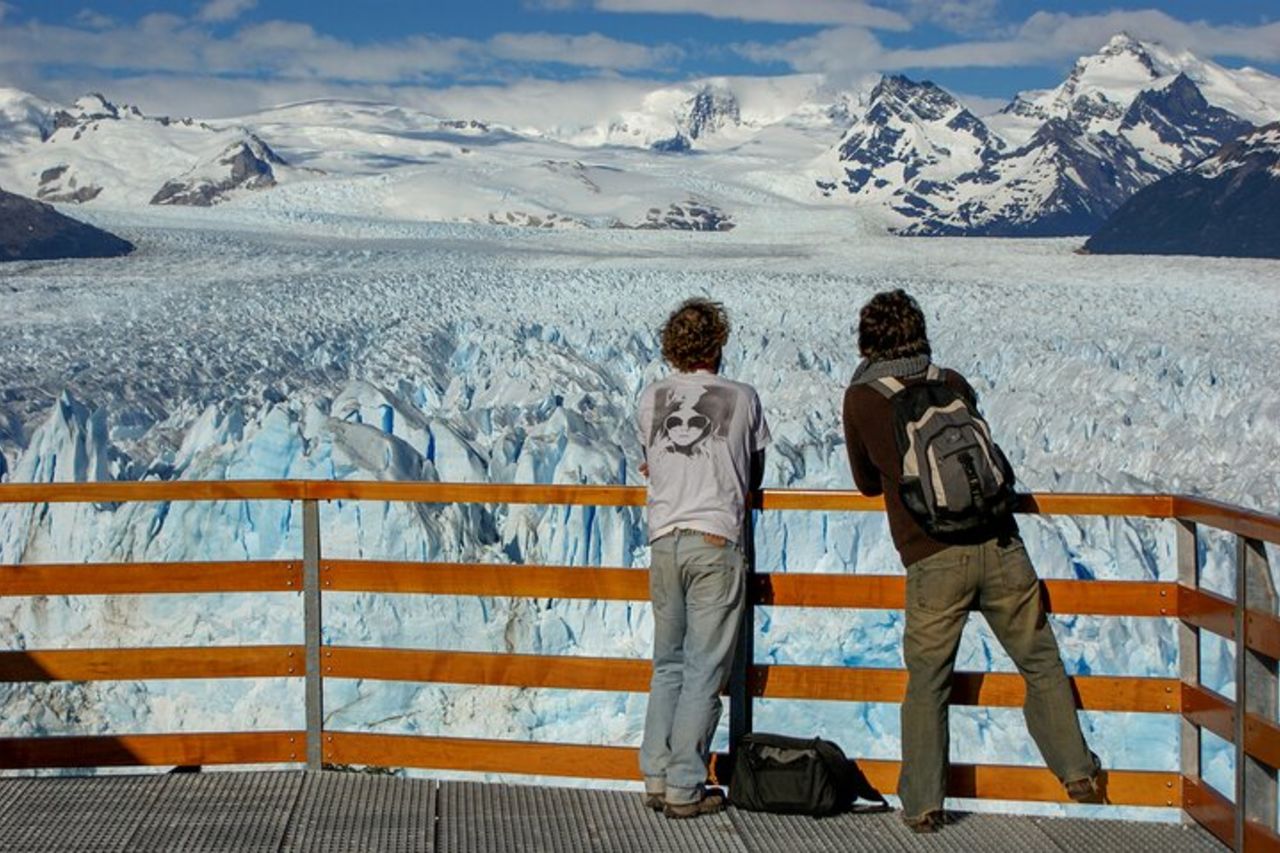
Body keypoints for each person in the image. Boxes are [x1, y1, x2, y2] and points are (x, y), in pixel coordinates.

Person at [841, 289, 1102, 833]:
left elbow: (867, 484)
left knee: (928, 681)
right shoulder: (951, 381)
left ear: (868, 340)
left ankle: (923, 802)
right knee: (1040, 659)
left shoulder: (863, 398)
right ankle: (1077, 771)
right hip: (1001, 544)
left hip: (933, 556)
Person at [637, 297, 769, 819]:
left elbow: (649, 463)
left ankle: (655, 772)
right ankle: (686, 786)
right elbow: (753, 470)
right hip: (715, 540)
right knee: (704, 669)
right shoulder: (743, 396)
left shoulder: (651, 398)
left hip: (663, 541)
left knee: (667, 661)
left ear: (673, 346)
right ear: (718, 344)